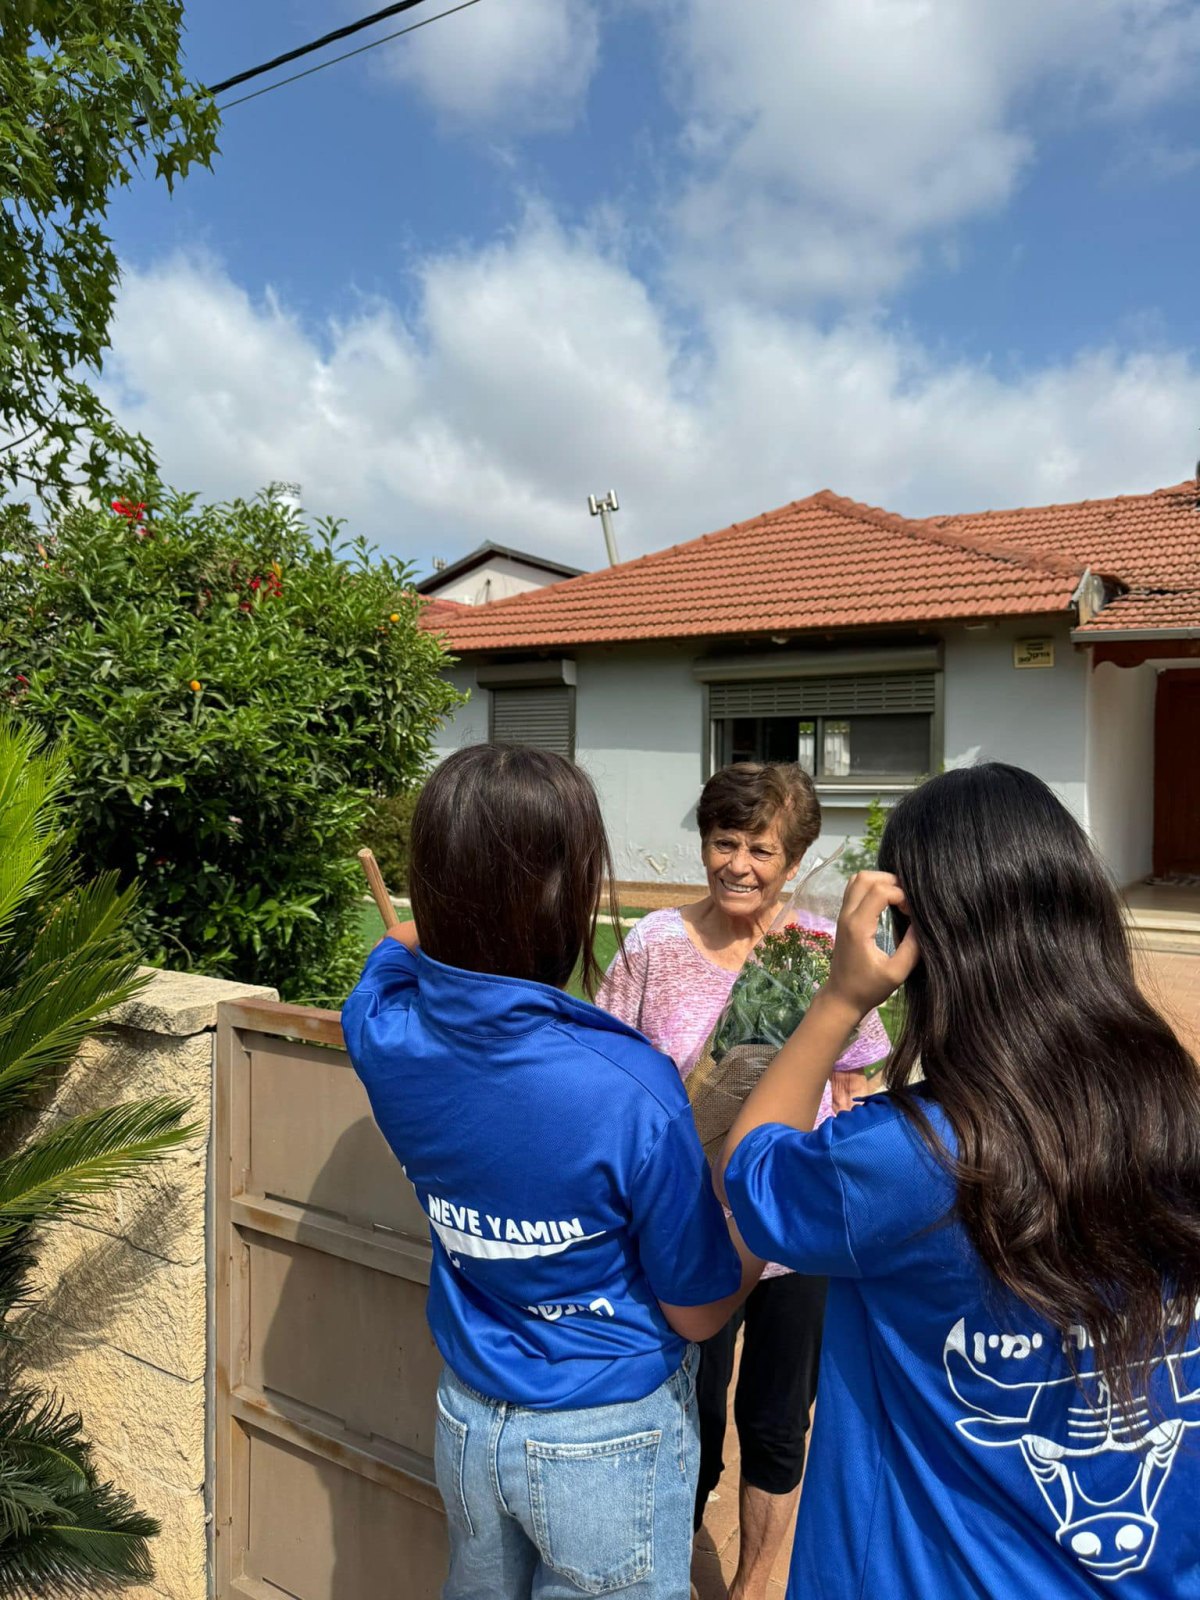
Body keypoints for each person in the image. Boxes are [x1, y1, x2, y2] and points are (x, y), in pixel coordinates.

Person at [719, 762, 1200, 1599]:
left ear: (910, 938)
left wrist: (839, 1000)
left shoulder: (906, 1159)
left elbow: (751, 1171)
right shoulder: (1182, 1119)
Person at [342, 744, 762, 1600]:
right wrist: (755, 1234)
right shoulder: (627, 1088)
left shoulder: (381, 1029)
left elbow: (395, 946)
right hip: (608, 1437)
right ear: (564, 897)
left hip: (468, 1422)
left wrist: (444, 924)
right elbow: (694, 1311)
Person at [597, 763, 890, 1599]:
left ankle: (759, 1584)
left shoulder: (819, 957)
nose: (739, 865)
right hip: (687, 1226)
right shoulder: (654, 944)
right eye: (725, 842)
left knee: (777, 1422)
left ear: (791, 863)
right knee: (688, 1415)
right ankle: (678, 1568)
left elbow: (854, 1087)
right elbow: (613, 1072)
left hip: (795, 1236)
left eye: (761, 850)